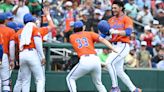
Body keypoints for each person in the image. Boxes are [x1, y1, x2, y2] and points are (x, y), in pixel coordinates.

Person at [98, 1, 142, 92]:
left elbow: (128, 32)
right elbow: (103, 35)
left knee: (109, 62)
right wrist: (96, 38)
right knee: (119, 71)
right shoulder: (110, 20)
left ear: (121, 8)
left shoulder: (127, 19)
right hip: (114, 46)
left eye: (115, 8)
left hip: (123, 45)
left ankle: (115, 87)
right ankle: (134, 89)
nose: (113, 9)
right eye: (112, 8)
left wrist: (116, 32)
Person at [11, 7, 55, 92]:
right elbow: (52, 26)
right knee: (40, 79)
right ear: (33, 21)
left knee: (25, 80)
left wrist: (14, 59)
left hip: (22, 54)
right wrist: (47, 15)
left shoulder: (19, 31)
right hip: (32, 53)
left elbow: (14, 46)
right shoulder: (36, 29)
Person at [66, 20, 117, 92]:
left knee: (70, 78)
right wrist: (112, 48)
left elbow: (81, 37)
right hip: (96, 60)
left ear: (74, 29)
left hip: (85, 60)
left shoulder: (71, 36)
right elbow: (102, 39)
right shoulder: (89, 33)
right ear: (83, 27)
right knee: (98, 83)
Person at [0, 13, 15, 92]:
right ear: (5, 20)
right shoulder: (10, 30)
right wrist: (12, 59)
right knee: (5, 82)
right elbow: (12, 46)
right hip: (4, 55)